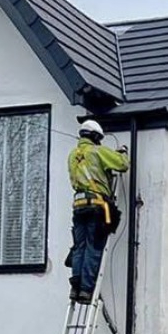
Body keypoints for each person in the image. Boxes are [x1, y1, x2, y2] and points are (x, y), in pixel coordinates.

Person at [67, 119, 128, 303]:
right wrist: (122, 153)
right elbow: (122, 164)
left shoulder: (72, 155)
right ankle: (86, 290)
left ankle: (75, 287)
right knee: (93, 247)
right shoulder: (97, 151)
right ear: (95, 136)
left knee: (79, 248)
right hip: (97, 206)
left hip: (78, 206)